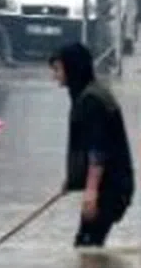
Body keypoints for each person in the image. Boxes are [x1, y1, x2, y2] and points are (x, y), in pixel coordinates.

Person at [50, 42, 135, 248]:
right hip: (111, 184)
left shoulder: (92, 101)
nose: (55, 76)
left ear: (72, 68)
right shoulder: (89, 95)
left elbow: (98, 150)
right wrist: (73, 179)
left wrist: (91, 192)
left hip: (110, 186)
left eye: (58, 69)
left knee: (87, 245)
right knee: (88, 246)